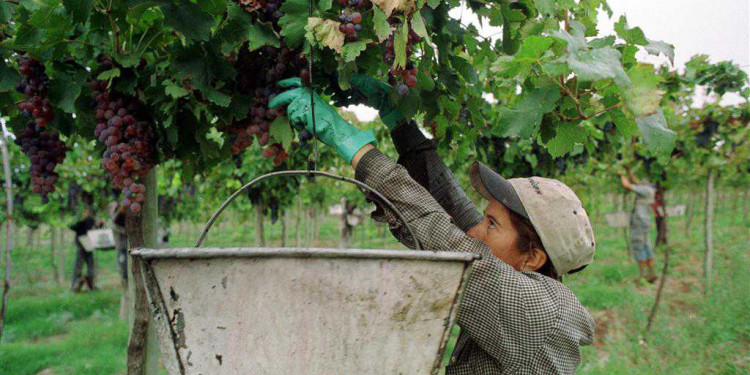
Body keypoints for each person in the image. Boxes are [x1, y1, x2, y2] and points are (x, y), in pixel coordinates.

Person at [270, 76, 596, 375]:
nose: (475, 230)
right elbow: (450, 209)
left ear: (533, 257)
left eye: (491, 224)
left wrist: (350, 144)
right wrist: (402, 127)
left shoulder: (536, 312)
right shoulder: (517, 276)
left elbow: (445, 238)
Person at [619, 166, 657, 283]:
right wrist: (629, 170)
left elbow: (628, 186)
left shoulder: (646, 190)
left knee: (638, 246)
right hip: (644, 222)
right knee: (646, 245)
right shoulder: (649, 189)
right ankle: (651, 273)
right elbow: (636, 182)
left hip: (639, 222)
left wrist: (621, 175)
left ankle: (643, 276)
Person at [70, 207, 102, 292]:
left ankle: (91, 286)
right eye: (85, 212)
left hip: (88, 245)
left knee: (90, 266)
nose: (87, 213)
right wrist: (82, 220)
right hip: (81, 245)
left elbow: (96, 228)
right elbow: (73, 227)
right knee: (79, 266)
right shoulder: (80, 221)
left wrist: (100, 224)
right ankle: (75, 285)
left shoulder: (91, 220)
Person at [109, 201, 128, 286]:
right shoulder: (115, 219)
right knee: (120, 261)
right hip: (120, 244)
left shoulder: (120, 216)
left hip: (124, 244)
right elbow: (116, 227)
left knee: (123, 261)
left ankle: (124, 277)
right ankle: (123, 278)